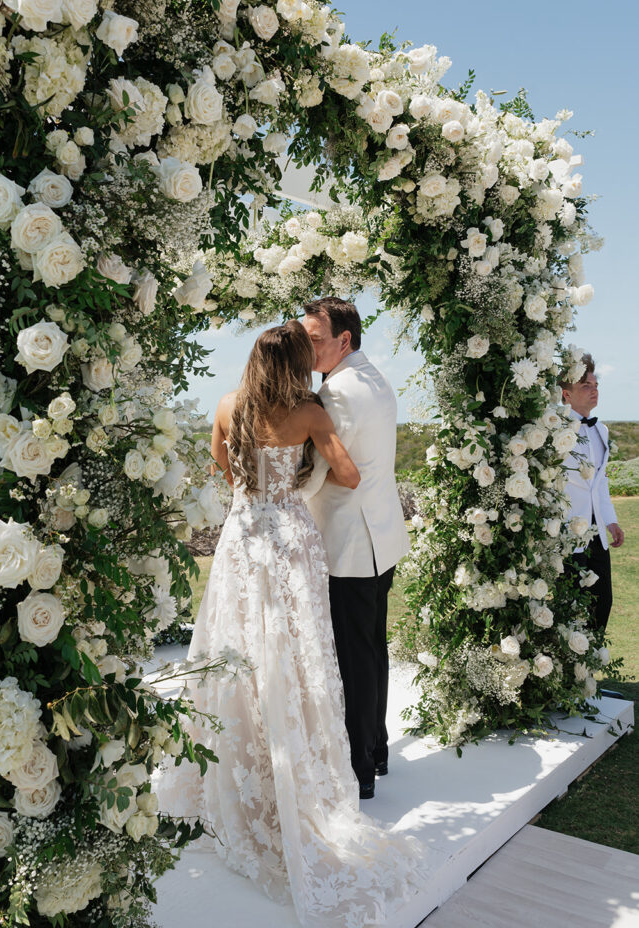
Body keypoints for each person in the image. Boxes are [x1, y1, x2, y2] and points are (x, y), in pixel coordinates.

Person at [154, 321, 426, 927]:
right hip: (290, 539)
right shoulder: (308, 412)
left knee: (236, 644)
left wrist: (255, 496)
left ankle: (233, 757)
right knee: (293, 652)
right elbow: (350, 475)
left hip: (242, 537)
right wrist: (304, 482)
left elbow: (222, 464)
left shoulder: (227, 405)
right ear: (299, 363)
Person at [300, 298, 409, 801]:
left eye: (316, 338)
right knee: (371, 647)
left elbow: (325, 472)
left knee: (353, 656)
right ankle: (378, 748)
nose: (308, 346)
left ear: (345, 339)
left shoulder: (336, 393)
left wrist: (276, 495)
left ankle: (359, 765)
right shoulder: (375, 378)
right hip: (380, 536)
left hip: (349, 541)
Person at [560, 353, 624, 631]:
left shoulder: (602, 431)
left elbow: (600, 482)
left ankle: (590, 664)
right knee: (571, 603)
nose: (594, 390)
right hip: (565, 531)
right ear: (566, 394)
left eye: (595, 384)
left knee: (603, 600)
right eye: (585, 385)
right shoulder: (552, 429)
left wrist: (611, 520)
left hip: (597, 531)